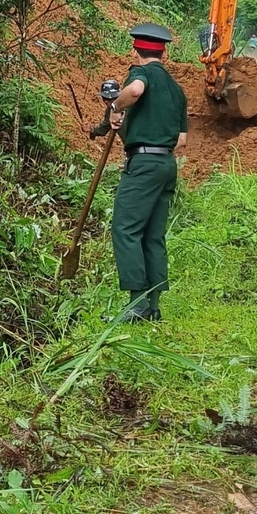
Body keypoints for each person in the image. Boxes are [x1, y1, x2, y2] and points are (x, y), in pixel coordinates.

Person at [107, 21, 189, 322]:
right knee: (152, 235)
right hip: (167, 165)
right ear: (163, 53)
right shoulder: (176, 90)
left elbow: (136, 90)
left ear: (136, 48)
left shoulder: (140, 74)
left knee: (126, 229)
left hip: (142, 164)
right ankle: (151, 306)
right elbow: (182, 140)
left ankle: (135, 306)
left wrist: (116, 106)